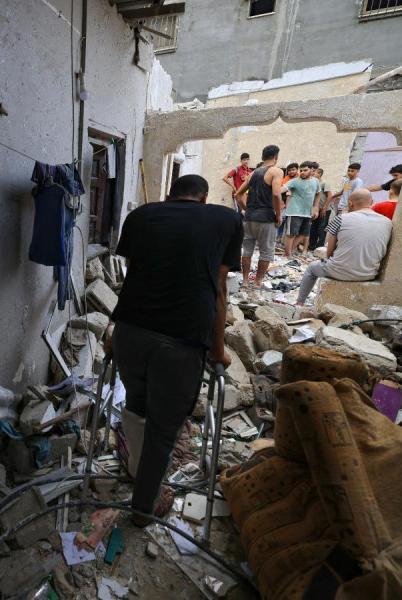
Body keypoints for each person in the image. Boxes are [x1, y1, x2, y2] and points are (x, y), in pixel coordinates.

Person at [110, 174, 243, 527]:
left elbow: (133, 275)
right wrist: (218, 350)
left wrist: (114, 328)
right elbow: (219, 288)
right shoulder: (226, 219)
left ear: (169, 197)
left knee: (137, 407)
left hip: (130, 333)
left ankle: (138, 472)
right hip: (181, 342)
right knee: (163, 431)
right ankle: (143, 509)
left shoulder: (142, 215)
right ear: (204, 198)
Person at [295, 188, 392, 306]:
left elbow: (329, 253)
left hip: (340, 271)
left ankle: (300, 302)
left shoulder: (341, 218)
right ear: (372, 202)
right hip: (368, 274)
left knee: (311, 268)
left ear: (350, 203)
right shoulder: (388, 222)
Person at [235, 145, 283, 289]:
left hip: (249, 218)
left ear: (262, 157)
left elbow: (238, 194)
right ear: (276, 157)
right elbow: (276, 194)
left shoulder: (252, 173)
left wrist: (246, 209)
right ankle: (257, 282)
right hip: (266, 218)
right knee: (266, 252)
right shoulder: (276, 171)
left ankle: (245, 281)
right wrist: (278, 215)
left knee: (247, 251)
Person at [281, 161, 321, 257]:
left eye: (305, 170)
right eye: (301, 170)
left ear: (311, 170)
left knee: (303, 234)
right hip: (294, 212)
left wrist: (315, 207)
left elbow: (318, 193)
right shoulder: (295, 181)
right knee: (291, 234)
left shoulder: (315, 181)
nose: (302, 172)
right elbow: (280, 190)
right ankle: (288, 255)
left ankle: (288, 252)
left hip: (307, 212)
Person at [308, 167, 332, 250]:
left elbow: (330, 196)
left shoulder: (324, 183)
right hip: (315, 210)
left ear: (319, 174)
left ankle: (319, 247)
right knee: (313, 228)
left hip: (324, 210)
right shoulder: (312, 183)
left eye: (314, 172)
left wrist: (324, 208)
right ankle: (311, 246)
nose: (312, 173)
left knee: (321, 229)